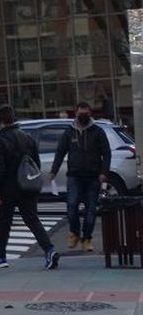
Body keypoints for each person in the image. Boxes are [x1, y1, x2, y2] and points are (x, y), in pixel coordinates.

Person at [0, 105, 58, 270]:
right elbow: (36, 164)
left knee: (4, 222)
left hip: (8, 189)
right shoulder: (27, 138)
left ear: (0, 121)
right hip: (27, 186)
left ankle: (0, 256)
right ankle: (49, 249)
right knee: (32, 219)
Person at [51, 101, 110, 253]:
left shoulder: (97, 131)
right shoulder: (69, 132)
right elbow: (60, 151)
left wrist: (104, 172)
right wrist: (53, 171)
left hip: (92, 176)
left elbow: (106, 153)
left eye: (86, 112)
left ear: (90, 113)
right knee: (71, 206)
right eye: (80, 112)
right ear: (76, 113)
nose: (83, 115)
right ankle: (75, 232)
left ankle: (87, 238)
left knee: (91, 210)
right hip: (74, 175)